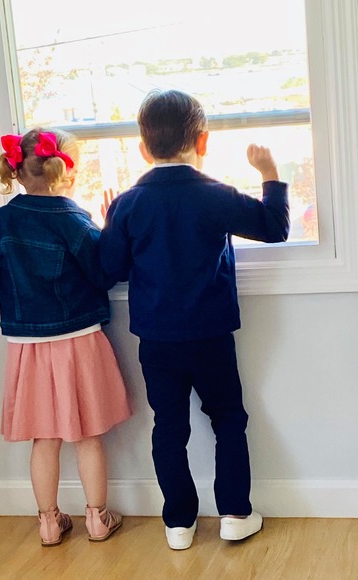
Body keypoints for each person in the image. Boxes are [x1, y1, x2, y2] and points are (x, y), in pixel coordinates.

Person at [100, 89, 290, 550]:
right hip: (211, 335)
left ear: (143, 148)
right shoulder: (214, 195)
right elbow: (274, 227)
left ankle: (179, 523)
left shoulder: (128, 203)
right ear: (202, 141)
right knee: (228, 419)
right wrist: (269, 174)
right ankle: (235, 514)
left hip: (157, 340)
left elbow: (109, 270)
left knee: (168, 428)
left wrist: (109, 225)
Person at [0, 128, 132, 546]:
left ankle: (49, 523)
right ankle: (97, 519)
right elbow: (104, 274)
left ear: (17, 171)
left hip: (28, 347)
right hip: (79, 340)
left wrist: (16, 294)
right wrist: (110, 229)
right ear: (66, 173)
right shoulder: (73, 219)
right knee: (88, 434)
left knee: (45, 437)